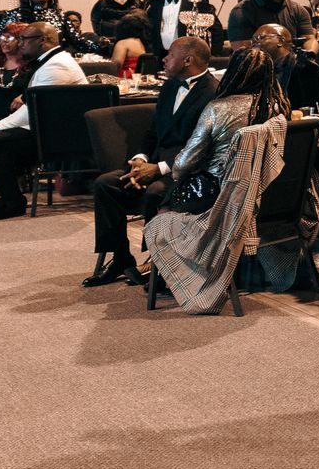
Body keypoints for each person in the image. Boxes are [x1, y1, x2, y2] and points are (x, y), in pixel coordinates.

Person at [140, 48, 295, 309]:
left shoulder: (218, 108)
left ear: (233, 72)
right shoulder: (280, 106)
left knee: (166, 203)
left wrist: (177, 169)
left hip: (223, 196)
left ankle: (173, 275)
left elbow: (185, 162)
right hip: (269, 193)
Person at [84, 36, 219, 287]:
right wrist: (140, 158)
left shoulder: (212, 93)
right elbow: (153, 132)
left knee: (156, 192)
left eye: (170, 54)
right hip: (154, 163)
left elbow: (201, 148)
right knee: (105, 184)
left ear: (187, 60)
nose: (165, 59)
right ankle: (121, 259)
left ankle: (158, 264)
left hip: (187, 171)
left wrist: (159, 169)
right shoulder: (169, 86)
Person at [0, 21, 90, 221]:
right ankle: (8, 195)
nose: (21, 45)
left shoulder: (57, 65)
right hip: (47, 126)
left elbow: (34, 108)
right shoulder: (51, 61)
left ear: (42, 40)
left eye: (24, 40)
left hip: (60, 136)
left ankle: (13, 201)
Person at [250, 24, 319, 111]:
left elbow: (309, 110)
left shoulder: (307, 69)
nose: (254, 43)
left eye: (260, 37)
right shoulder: (258, 68)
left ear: (280, 41)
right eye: (253, 39)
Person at [0, 0, 83, 52]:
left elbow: (77, 42)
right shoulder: (14, 15)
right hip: (23, 62)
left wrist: (96, 46)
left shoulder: (61, 16)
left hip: (52, 60)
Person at [109, 13, 148, 78]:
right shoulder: (143, 43)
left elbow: (115, 66)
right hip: (141, 78)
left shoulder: (123, 43)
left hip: (125, 80)